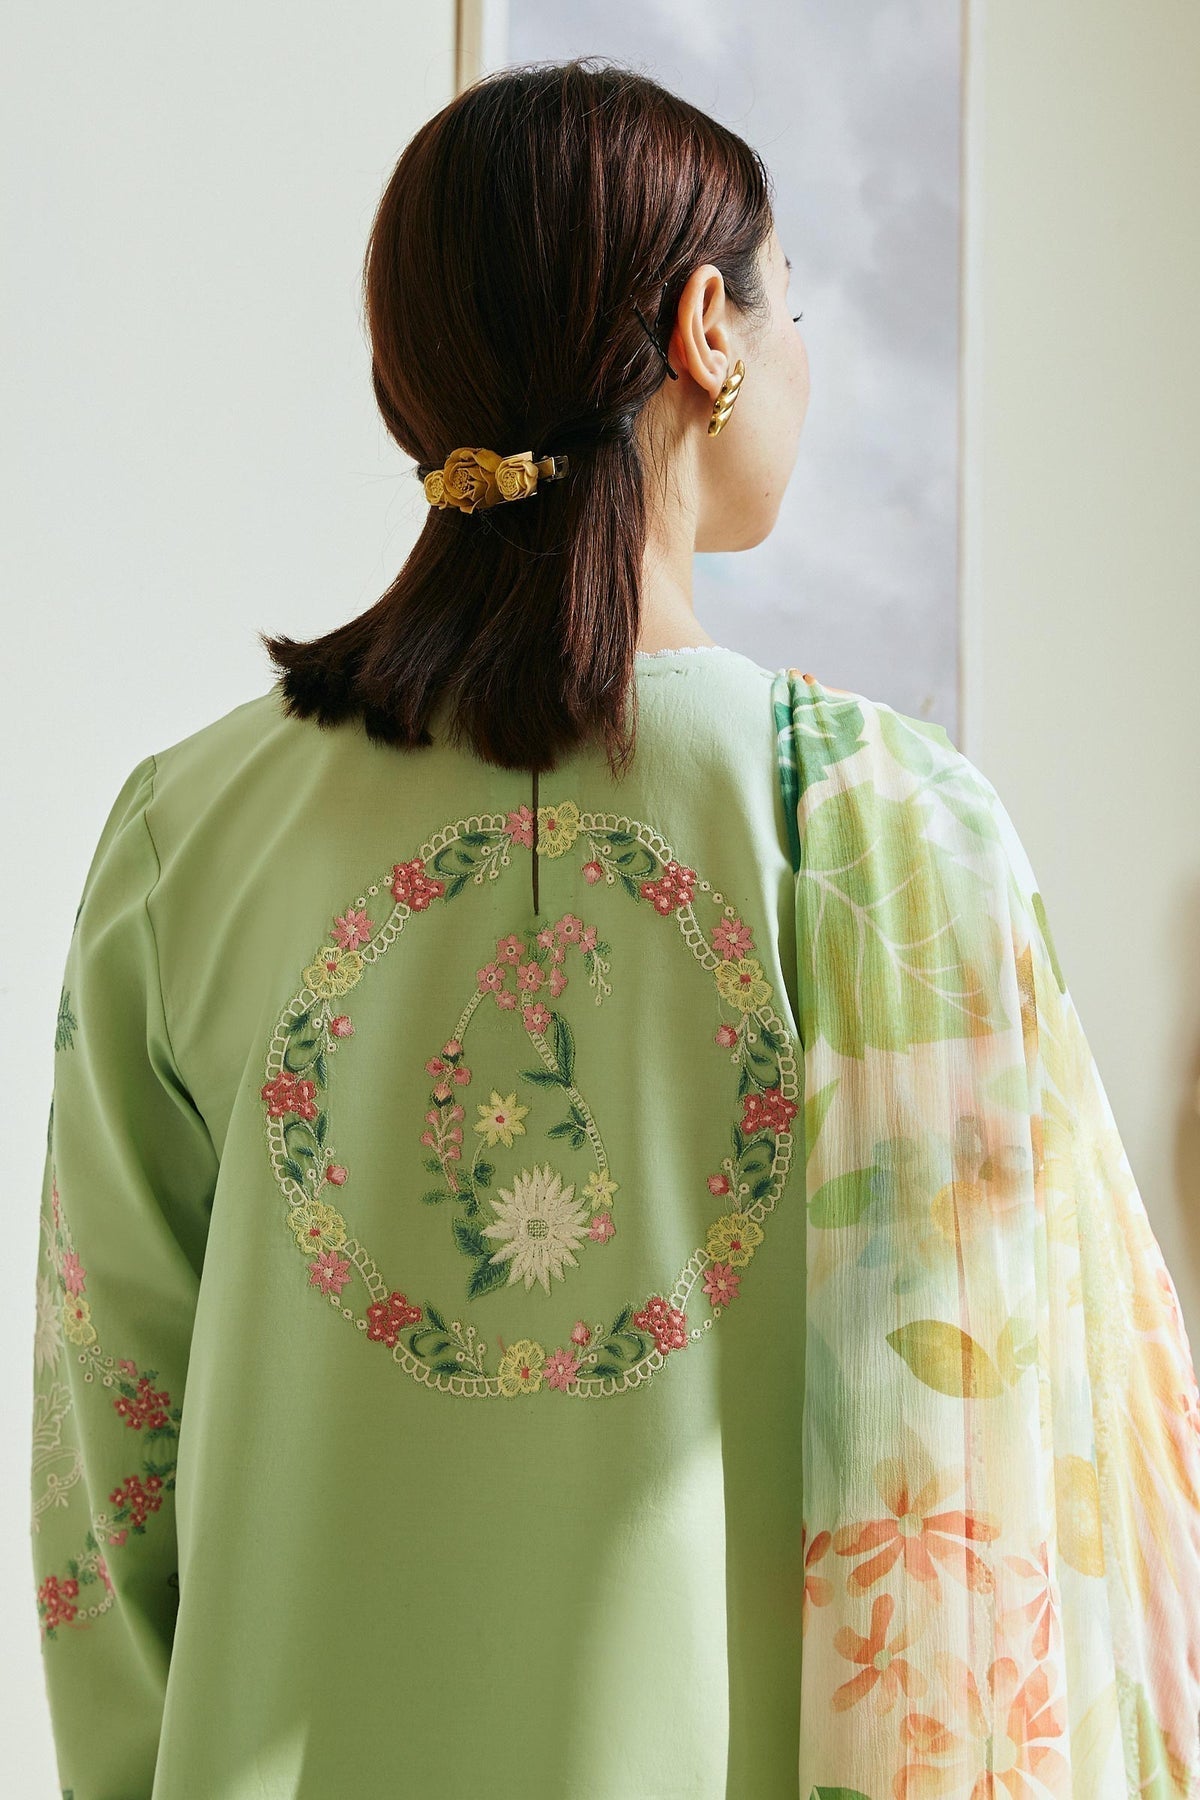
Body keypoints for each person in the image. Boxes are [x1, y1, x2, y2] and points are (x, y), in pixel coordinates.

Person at [29, 57, 1200, 1800]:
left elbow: (106, 1471)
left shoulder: (178, 838)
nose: (804, 354)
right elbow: (1039, 1465)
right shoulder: (894, 831)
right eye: (792, 304)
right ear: (708, 330)